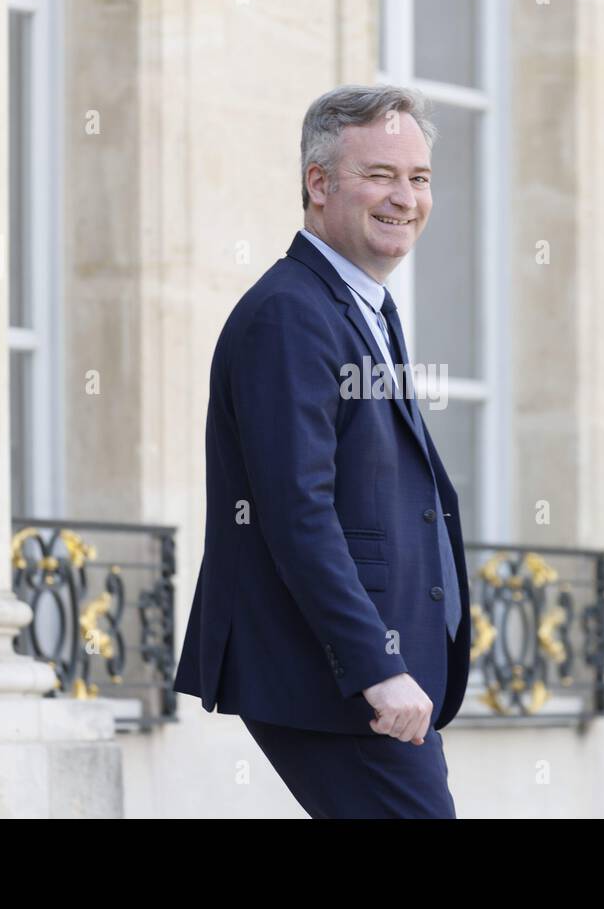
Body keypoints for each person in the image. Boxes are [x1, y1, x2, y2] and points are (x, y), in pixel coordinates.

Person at [172, 84, 471, 818]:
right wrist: (376, 667)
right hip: (339, 680)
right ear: (318, 184)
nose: (405, 197)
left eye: (420, 178)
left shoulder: (361, 303)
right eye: (380, 175)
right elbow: (296, 512)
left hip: (365, 678)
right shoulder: (289, 314)